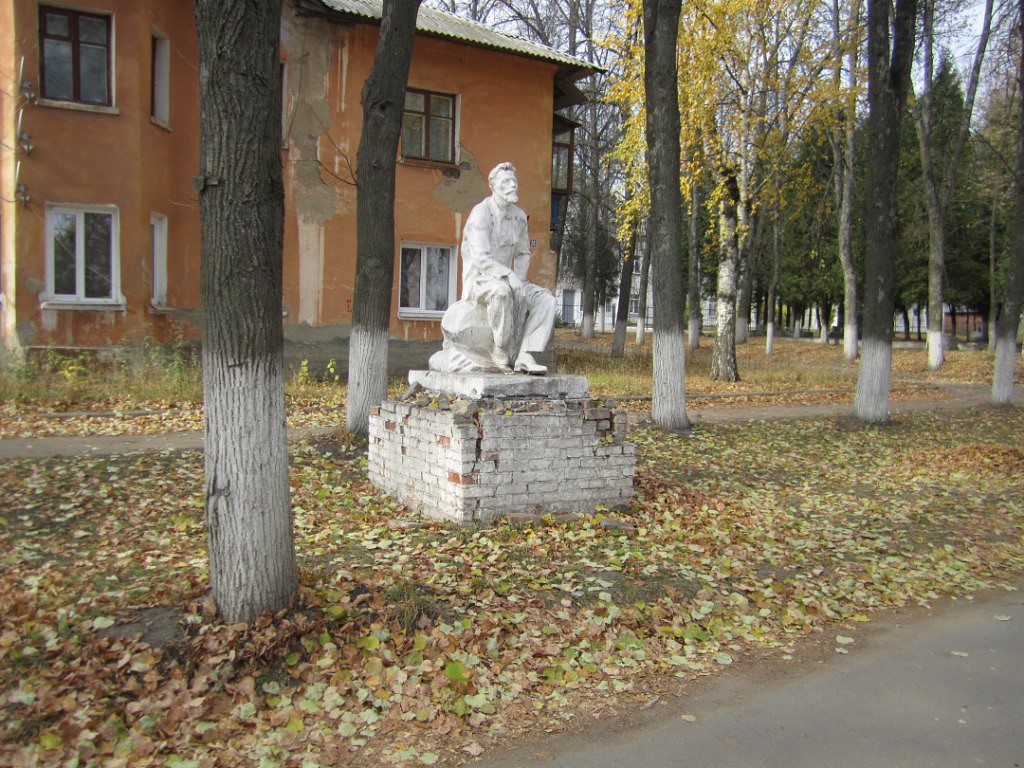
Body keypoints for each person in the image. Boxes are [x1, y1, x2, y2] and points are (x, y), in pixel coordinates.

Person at [429, 162, 556, 374]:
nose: (512, 185)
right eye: (506, 181)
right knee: (502, 292)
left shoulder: (519, 217)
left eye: (514, 181)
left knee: (546, 299)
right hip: (480, 280)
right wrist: (510, 277)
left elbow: (524, 252)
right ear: (493, 186)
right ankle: (500, 351)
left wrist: (520, 278)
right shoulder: (481, 213)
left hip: (510, 278)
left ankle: (525, 352)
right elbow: (482, 259)